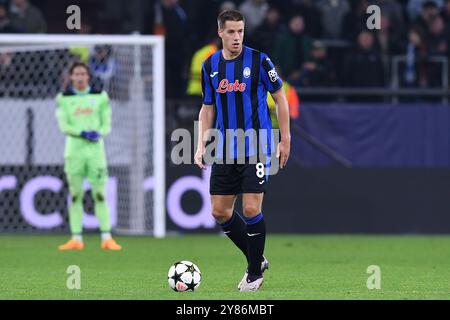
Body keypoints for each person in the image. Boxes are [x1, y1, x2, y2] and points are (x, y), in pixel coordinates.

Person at [194, 10, 291, 292]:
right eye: (232, 32)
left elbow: (280, 98)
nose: (237, 37)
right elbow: (208, 107)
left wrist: (285, 139)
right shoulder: (209, 65)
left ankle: (252, 274)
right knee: (220, 211)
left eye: (240, 31)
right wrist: (200, 144)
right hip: (225, 148)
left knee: (250, 208)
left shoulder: (260, 61)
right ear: (220, 33)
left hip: (257, 145)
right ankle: (257, 257)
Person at [56, 62, 121, 251]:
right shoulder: (64, 98)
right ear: (71, 77)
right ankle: (76, 238)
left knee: (100, 195)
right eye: (76, 73)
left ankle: (107, 238)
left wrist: (98, 132)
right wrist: (83, 132)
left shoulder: (100, 97)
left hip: (95, 153)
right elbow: (64, 125)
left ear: (88, 77)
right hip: (74, 152)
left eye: (83, 73)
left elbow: (107, 123)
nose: (80, 77)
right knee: (75, 195)